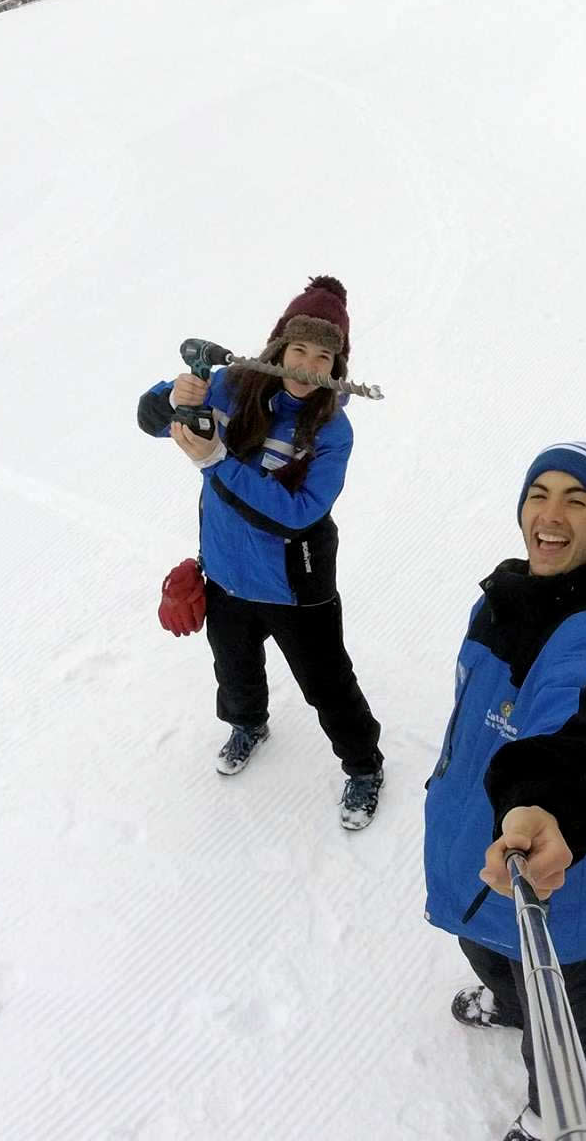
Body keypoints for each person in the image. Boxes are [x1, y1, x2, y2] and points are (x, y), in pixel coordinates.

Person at [424, 443, 586, 1141]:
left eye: (576, 502)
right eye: (539, 494)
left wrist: (546, 802)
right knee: (493, 959)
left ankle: (556, 1113)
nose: (550, 514)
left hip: (556, 885)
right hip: (476, 855)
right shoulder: (500, 600)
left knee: (569, 1029)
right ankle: (513, 1002)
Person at [137, 276, 385, 830]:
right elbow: (150, 418)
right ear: (278, 349)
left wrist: (217, 461)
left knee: (326, 682)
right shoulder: (226, 386)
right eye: (299, 349)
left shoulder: (332, 431)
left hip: (294, 583)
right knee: (235, 667)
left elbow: (298, 513)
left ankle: (364, 764)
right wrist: (173, 400)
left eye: (324, 356)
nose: (309, 365)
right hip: (226, 572)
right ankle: (248, 723)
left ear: (337, 367)